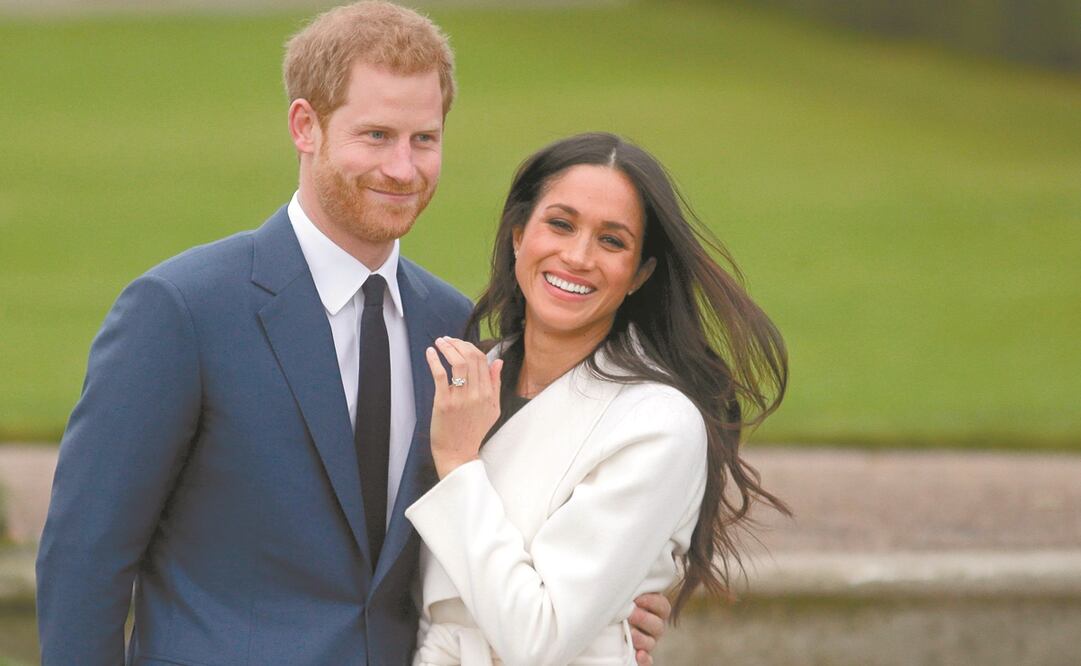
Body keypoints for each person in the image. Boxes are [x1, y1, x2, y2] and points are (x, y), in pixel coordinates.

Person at [35, 4, 668, 665]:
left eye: (423, 139)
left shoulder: (454, 328)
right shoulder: (180, 312)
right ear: (304, 126)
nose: (402, 168)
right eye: (375, 135)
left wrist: (611, 602)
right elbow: (86, 556)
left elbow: (493, 521)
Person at [403, 132, 790, 665]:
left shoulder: (657, 422)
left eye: (613, 242)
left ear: (640, 275)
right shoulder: (469, 378)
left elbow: (539, 639)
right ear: (519, 235)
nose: (578, 256)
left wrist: (459, 464)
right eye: (560, 224)